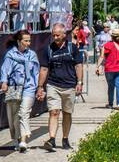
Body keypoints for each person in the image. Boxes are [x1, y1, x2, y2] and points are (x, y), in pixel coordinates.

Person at [36, 22, 84, 151]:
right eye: (53, 35)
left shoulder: (72, 48)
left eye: (57, 35)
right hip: (53, 85)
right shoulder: (48, 49)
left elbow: (78, 66)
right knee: (54, 112)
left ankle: (65, 139)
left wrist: (79, 83)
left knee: (67, 113)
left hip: (69, 85)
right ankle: (52, 139)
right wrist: (40, 86)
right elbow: (44, 69)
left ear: (64, 34)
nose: (55, 38)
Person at [0, 29, 38, 152]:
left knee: (23, 113)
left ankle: (23, 141)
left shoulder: (32, 55)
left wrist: (37, 86)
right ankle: (17, 138)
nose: (28, 43)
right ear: (19, 41)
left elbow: (35, 72)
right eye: (26, 41)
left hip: (28, 88)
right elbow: (5, 70)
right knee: (14, 116)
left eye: (29, 41)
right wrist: (4, 82)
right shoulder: (10, 55)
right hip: (14, 87)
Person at [96, 28, 119, 109]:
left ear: (111, 36)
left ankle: (110, 104)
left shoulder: (106, 45)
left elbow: (101, 56)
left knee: (111, 86)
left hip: (109, 69)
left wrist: (97, 66)